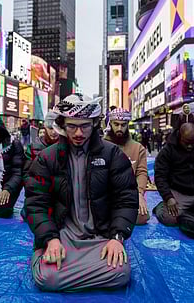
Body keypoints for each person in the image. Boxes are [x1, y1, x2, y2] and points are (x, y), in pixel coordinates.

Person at [24, 94, 138, 292]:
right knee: (47, 278)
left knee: (120, 272)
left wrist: (117, 237)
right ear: (62, 124)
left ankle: (64, 270)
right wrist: (50, 239)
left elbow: (126, 199)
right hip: (62, 234)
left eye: (85, 126)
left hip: (101, 234)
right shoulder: (47, 158)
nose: (78, 133)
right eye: (72, 126)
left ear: (94, 124)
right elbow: (36, 204)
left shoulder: (112, 155)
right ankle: (45, 256)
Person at [104, 108, 149, 225]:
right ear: (110, 124)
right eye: (116, 124)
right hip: (104, 195)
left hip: (128, 194)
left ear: (127, 125)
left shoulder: (138, 148)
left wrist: (139, 194)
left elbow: (141, 173)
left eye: (123, 125)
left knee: (142, 217)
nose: (119, 128)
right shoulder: (101, 146)